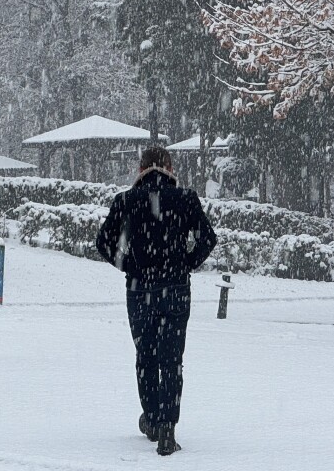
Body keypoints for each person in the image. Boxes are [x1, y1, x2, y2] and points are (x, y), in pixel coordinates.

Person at [96, 146, 217, 456]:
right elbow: (208, 238)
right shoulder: (186, 199)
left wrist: (127, 265)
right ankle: (168, 429)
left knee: (146, 356)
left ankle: (151, 419)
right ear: (168, 166)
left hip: (139, 290)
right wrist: (186, 263)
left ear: (141, 169)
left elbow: (103, 242)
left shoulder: (126, 201)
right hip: (175, 288)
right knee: (171, 360)